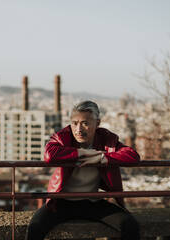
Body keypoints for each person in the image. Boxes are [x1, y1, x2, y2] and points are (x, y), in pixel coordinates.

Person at [25, 100, 140, 240]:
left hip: (92, 202)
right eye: (74, 123)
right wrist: (83, 153)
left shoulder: (105, 138)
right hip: (61, 203)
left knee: (130, 225)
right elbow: (49, 155)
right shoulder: (64, 136)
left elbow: (133, 156)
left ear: (97, 123)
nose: (78, 129)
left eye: (85, 123)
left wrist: (101, 158)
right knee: (34, 228)